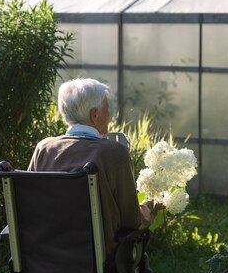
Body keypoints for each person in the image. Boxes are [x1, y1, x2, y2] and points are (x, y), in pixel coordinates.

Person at [27, 78, 160, 258]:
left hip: (43, 259)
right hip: (93, 262)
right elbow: (132, 220)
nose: (110, 116)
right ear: (95, 114)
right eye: (107, 110)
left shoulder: (44, 149)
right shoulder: (114, 153)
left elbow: (31, 209)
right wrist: (150, 206)